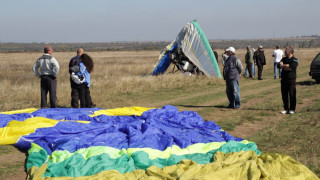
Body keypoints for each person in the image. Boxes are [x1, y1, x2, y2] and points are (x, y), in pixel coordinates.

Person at [277, 46, 299, 114]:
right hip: (284, 79)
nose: (284, 51)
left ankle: (292, 109)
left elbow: (292, 67)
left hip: (291, 80)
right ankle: (286, 108)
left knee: (292, 94)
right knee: (284, 95)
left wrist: (283, 66)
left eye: (286, 50)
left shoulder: (295, 59)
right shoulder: (283, 59)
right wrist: (286, 66)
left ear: (290, 52)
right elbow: (278, 66)